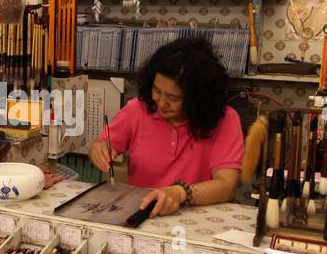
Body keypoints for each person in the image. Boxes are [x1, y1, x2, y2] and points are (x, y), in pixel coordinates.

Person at [88, 37, 243, 216]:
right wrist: (97, 150)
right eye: (157, 91)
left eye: (174, 98)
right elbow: (100, 147)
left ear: (199, 98)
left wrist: (180, 193)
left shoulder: (225, 119)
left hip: (198, 220)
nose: (162, 103)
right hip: (142, 214)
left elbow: (226, 185)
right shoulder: (138, 109)